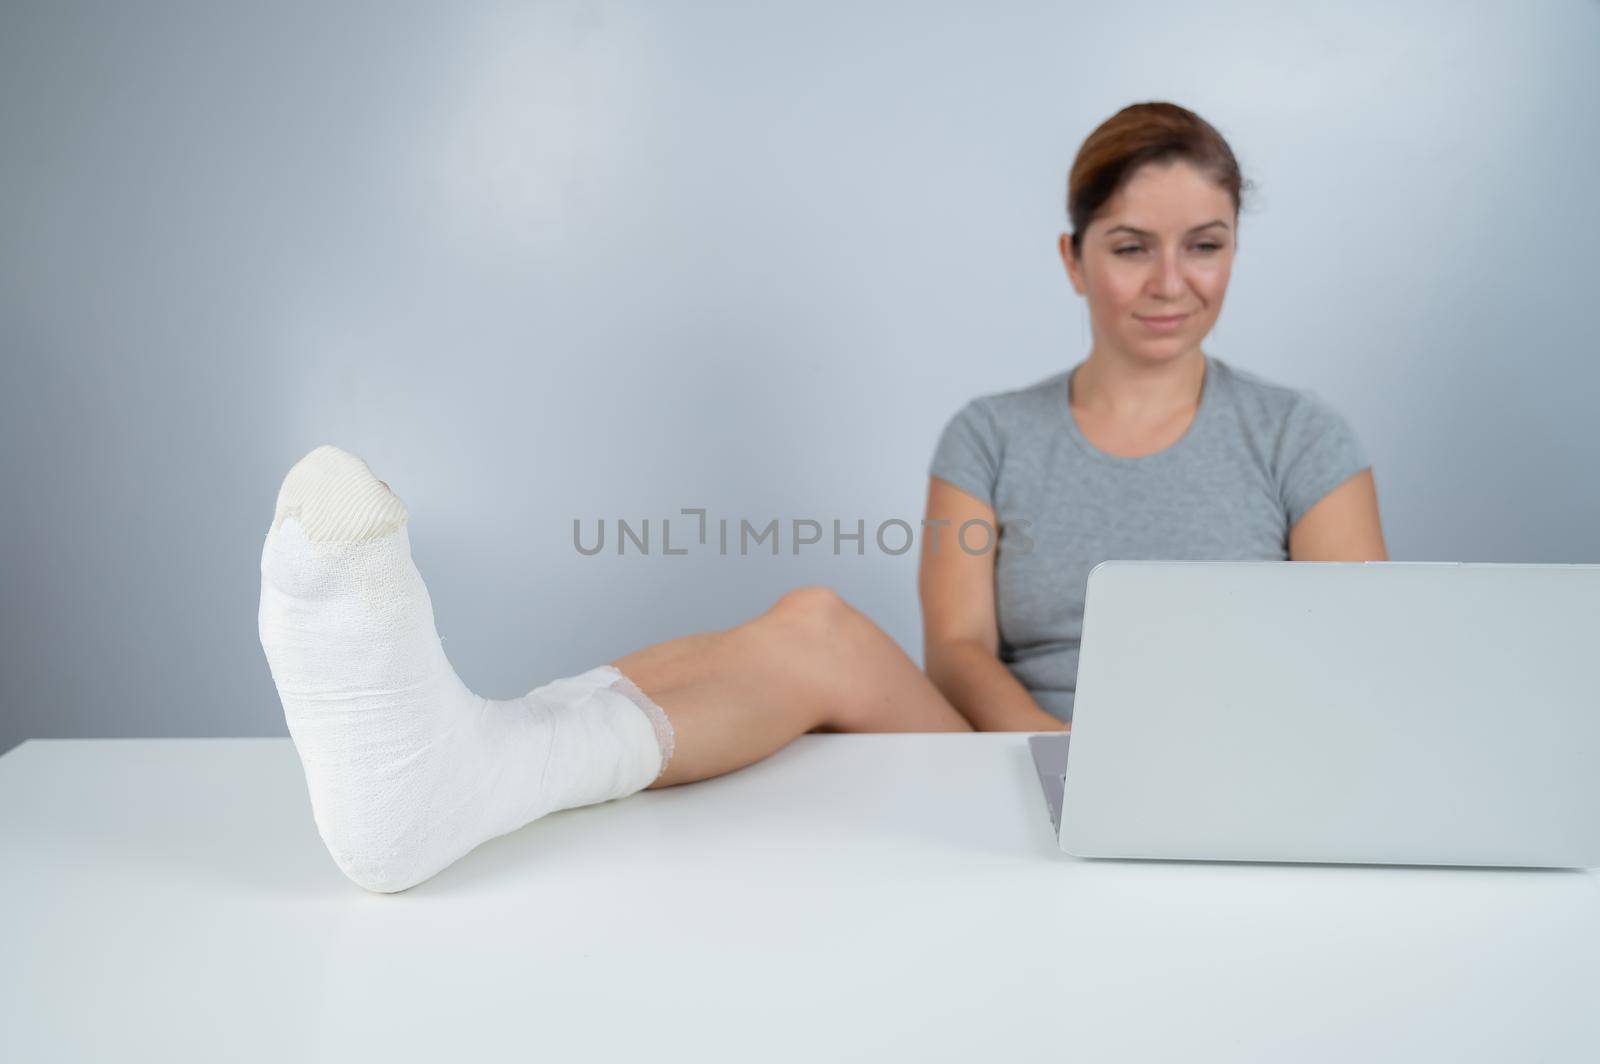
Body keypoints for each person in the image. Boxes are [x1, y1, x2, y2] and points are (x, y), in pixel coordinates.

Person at [257, 101, 1386, 894]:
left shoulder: (1298, 436)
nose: (1170, 282)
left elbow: (1353, 659)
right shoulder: (990, 433)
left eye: (1206, 244)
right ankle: (476, 758)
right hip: (1017, 761)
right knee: (816, 623)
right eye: (1132, 245)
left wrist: (1176, 778)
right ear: (1072, 256)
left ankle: (469, 767)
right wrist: (1074, 753)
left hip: (1231, 786)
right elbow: (956, 652)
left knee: (809, 624)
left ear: (1235, 249)